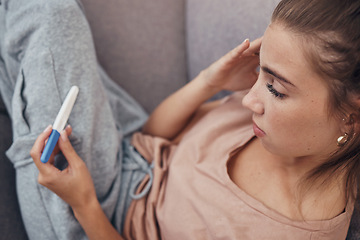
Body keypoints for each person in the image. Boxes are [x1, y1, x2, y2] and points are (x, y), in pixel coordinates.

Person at [3, 0, 360, 239]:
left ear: (351, 116)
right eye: (260, 72)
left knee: (50, 14)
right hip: (127, 145)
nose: (250, 99)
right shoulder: (270, 121)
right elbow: (151, 135)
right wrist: (210, 82)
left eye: (276, 89)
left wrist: (83, 202)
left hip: (98, 213)